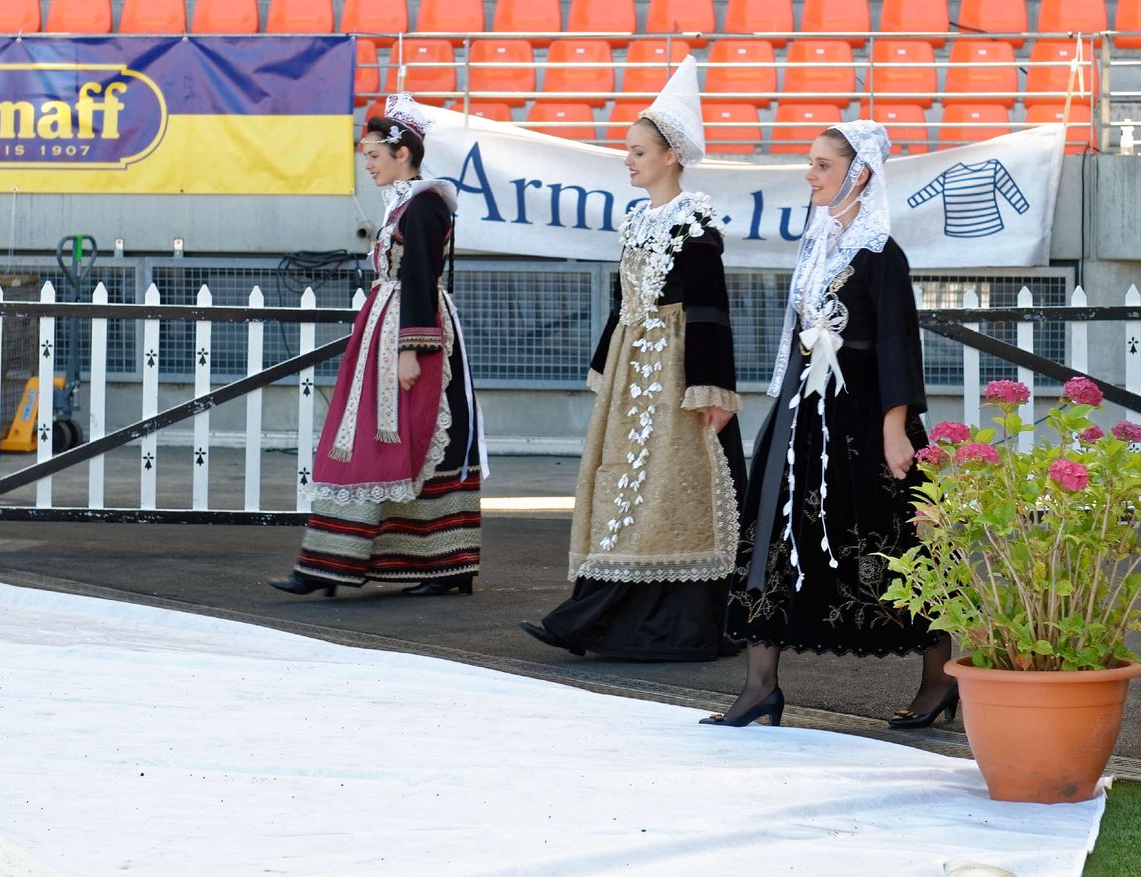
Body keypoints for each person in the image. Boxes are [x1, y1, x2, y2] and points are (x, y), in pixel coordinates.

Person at [709, 121, 954, 728]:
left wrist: (895, 430)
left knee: (899, 543)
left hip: (865, 418)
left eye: (822, 165)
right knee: (772, 535)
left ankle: (937, 683)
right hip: (805, 416)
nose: (810, 175)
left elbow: (897, 345)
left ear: (859, 173)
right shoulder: (817, 246)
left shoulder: (880, 255)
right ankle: (759, 685)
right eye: (811, 163)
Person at [519, 56, 747, 660]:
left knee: (669, 487)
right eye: (628, 150)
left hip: (674, 372)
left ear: (670, 156)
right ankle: (599, 614)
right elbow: (624, 302)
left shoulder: (694, 226)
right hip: (633, 365)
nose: (628, 159)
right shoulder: (637, 221)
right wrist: (607, 367)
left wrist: (711, 391)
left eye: (638, 151)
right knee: (623, 483)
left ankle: (664, 622)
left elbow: (708, 312)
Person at [269, 93, 486, 598]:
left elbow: (419, 277)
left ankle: (440, 563)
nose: (366, 164)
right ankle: (342, 560)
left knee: (416, 435)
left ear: (402, 154)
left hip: (412, 330)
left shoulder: (426, 207)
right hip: (386, 325)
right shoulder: (408, 205)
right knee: (383, 435)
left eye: (373, 155)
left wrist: (411, 349)